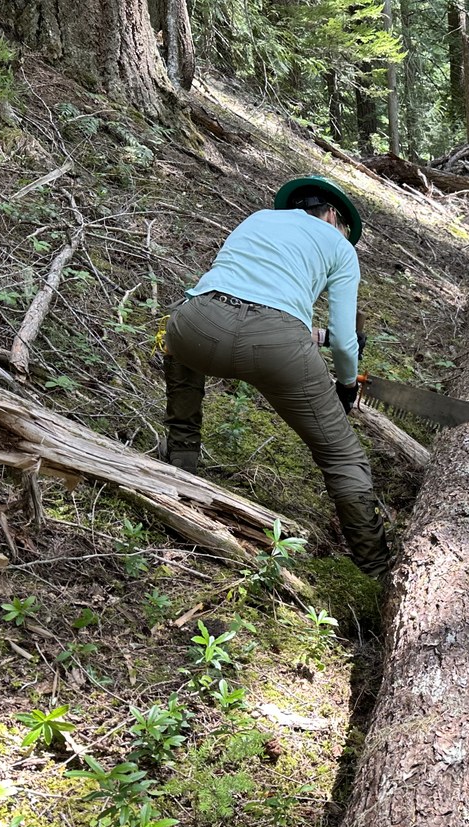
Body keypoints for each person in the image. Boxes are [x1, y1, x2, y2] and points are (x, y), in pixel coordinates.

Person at [160, 175, 390, 580]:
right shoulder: (338, 246)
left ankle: (180, 462)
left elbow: (244, 294)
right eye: (343, 228)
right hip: (275, 346)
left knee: (181, 351)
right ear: (333, 215)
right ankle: (374, 569)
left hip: (199, 323)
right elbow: (344, 343)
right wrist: (347, 385)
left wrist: (316, 336)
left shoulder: (258, 219)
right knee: (342, 457)